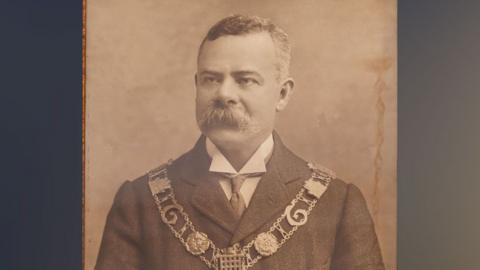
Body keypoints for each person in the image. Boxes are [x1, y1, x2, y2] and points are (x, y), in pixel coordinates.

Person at [95, 14, 385, 270]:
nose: (224, 94)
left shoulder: (336, 203)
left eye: (245, 80)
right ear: (196, 86)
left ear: (282, 94)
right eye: (211, 79)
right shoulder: (139, 202)